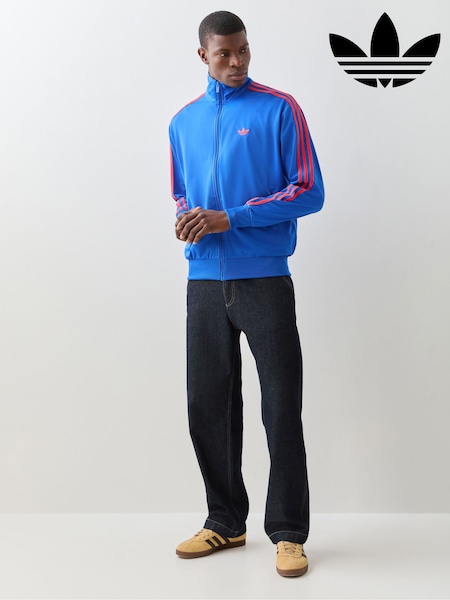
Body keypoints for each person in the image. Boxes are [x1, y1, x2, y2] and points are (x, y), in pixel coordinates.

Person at [169, 10, 324, 578]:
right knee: (207, 406)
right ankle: (225, 521)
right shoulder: (181, 122)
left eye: (243, 50)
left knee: (280, 405)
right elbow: (181, 192)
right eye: (223, 54)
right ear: (203, 56)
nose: (236, 62)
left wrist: (230, 217)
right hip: (204, 283)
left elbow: (308, 191)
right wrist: (188, 219)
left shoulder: (280, 108)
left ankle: (288, 532)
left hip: (264, 279)